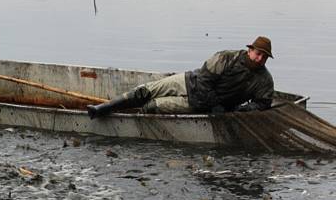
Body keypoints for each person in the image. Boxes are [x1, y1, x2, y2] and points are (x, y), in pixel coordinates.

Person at [87, 36, 275, 119]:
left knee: (152, 107)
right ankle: (103, 108)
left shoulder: (264, 80)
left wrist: (240, 110)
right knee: (147, 90)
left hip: (198, 106)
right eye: (258, 54)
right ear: (250, 50)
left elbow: (263, 103)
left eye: (264, 57)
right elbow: (204, 80)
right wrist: (215, 103)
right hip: (188, 82)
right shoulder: (227, 57)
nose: (260, 59)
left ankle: (130, 119)